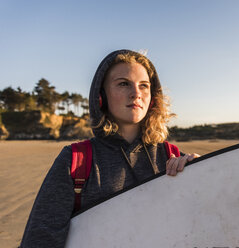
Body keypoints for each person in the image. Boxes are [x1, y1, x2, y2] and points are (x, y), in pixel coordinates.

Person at [20, 49, 199, 247]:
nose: (136, 94)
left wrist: (201, 174)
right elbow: (40, 239)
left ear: (153, 99)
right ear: (101, 98)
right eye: (123, 84)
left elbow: (209, 222)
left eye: (144, 86)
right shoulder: (76, 160)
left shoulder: (171, 156)